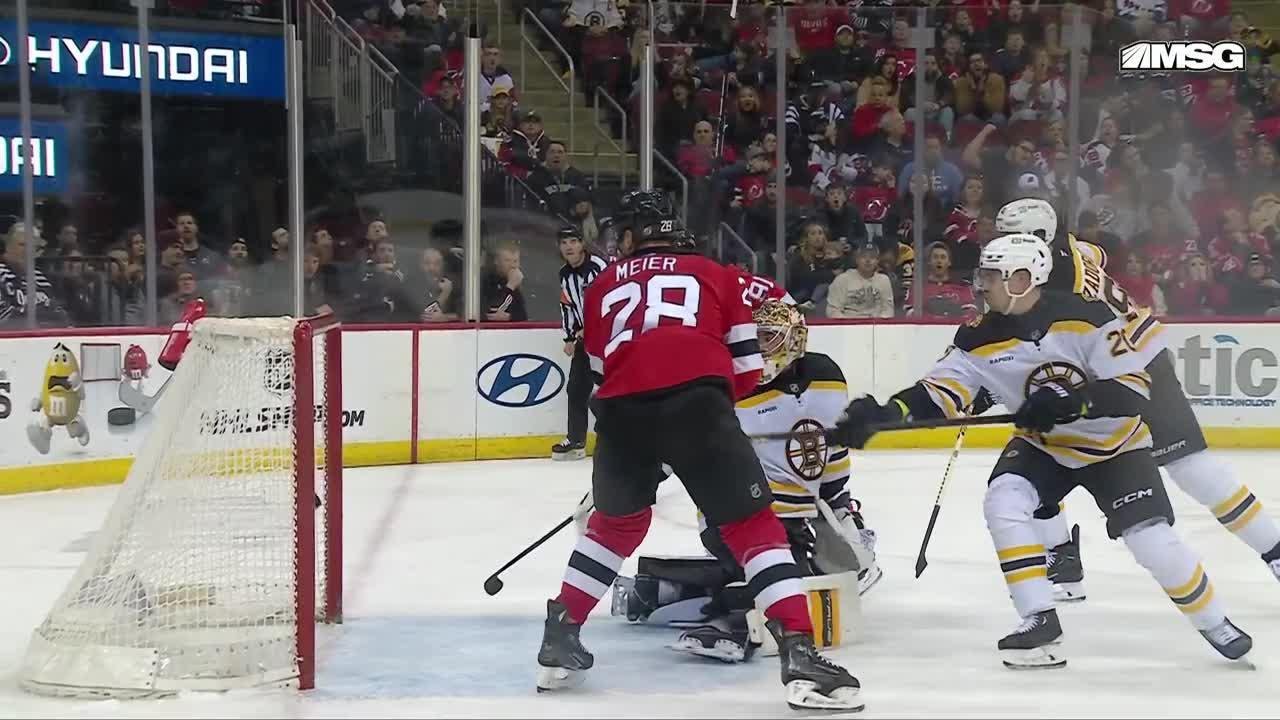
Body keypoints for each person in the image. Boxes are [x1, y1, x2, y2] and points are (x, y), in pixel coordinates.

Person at [830, 233, 1253, 668]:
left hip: (1116, 446)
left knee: (1150, 540)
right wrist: (884, 413)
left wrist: (1073, 402)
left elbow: (1134, 388)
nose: (981, 285)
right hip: (1046, 448)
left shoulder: (1086, 317)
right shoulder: (978, 336)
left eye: (991, 275)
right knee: (1004, 500)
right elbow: (937, 393)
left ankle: (1215, 622)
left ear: (1022, 278)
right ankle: (1039, 618)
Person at [536, 190, 863, 712]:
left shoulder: (600, 286)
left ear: (633, 237)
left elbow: (601, 373)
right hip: (698, 407)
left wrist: (653, 438)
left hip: (620, 416)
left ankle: (559, 636)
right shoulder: (716, 274)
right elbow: (747, 368)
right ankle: (800, 653)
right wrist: (700, 427)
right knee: (754, 527)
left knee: (616, 526)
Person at [995, 198, 1280, 601]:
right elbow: (1098, 253)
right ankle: (1062, 558)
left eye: (1012, 238)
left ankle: (1275, 550)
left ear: (1039, 239)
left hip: (1128, 370)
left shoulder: (1055, 286)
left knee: (1187, 466)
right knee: (1040, 444)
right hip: (1136, 354)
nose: (1000, 248)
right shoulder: (1069, 248)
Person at [665, 297, 882, 663]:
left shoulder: (826, 378)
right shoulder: (730, 383)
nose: (759, 349)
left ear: (794, 340)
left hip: (794, 518)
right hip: (733, 514)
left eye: (769, 338)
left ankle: (724, 599)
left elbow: (831, 458)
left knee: (795, 570)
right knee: (779, 574)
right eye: (754, 339)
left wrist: (842, 513)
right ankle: (734, 617)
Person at [552, 225, 608, 461]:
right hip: (585, 341)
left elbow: (609, 300)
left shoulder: (599, 267)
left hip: (608, 339)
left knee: (610, 389)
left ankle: (614, 439)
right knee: (576, 389)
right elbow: (567, 307)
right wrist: (569, 337)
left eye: (573, 241)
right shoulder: (564, 274)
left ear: (582, 244)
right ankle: (576, 440)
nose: (569, 247)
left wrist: (592, 327)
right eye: (564, 243)